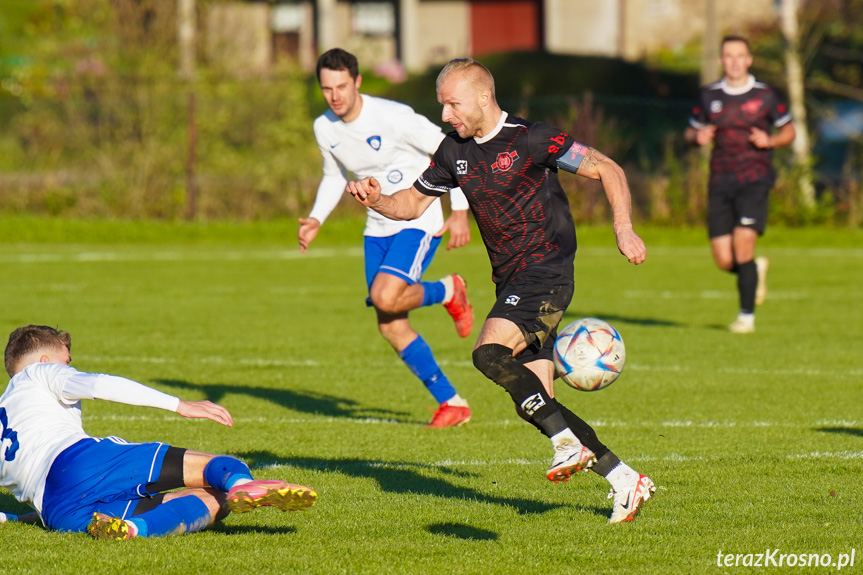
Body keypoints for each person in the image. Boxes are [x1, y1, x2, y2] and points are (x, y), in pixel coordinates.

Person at [347, 58, 655, 523]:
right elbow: (410, 204)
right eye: (442, 106)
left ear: (483, 97)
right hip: (511, 281)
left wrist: (624, 228)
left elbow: (607, 168)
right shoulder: (454, 152)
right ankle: (624, 479)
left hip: (546, 272)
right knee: (537, 402)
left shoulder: (531, 138)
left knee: (489, 355)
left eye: (452, 104)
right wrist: (377, 200)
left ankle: (566, 444)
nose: (446, 115)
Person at [0, 325, 317, 540]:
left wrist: (13, 518)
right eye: (66, 362)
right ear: (44, 361)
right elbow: (98, 384)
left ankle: (134, 529)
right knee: (218, 465)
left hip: (59, 512)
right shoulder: (37, 373)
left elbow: (40, 490)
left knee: (217, 499)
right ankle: (246, 484)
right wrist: (179, 404)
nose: (69, 368)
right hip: (82, 463)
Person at [299, 48, 474, 428]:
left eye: (342, 86)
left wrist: (459, 210)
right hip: (376, 226)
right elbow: (334, 176)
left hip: (418, 217)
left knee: (384, 296)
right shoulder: (324, 127)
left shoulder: (393, 117)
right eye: (327, 88)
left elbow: (451, 151)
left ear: (357, 81)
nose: (335, 96)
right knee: (390, 324)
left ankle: (447, 291)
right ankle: (453, 402)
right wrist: (316, 218)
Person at [685, 35, 796, 334]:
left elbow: (789, 131)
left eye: (740, 55)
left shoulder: (766, 95)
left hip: (754, 180)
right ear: (721, 61)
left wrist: (770, 140)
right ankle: (754, 272)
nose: (734, 61)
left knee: (743, 245)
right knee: (724, 259)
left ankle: (746, 317)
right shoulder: (709, 96)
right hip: (720, 181)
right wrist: (698, 137)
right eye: (728, 56)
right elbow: (690, 131)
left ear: (749, 60)